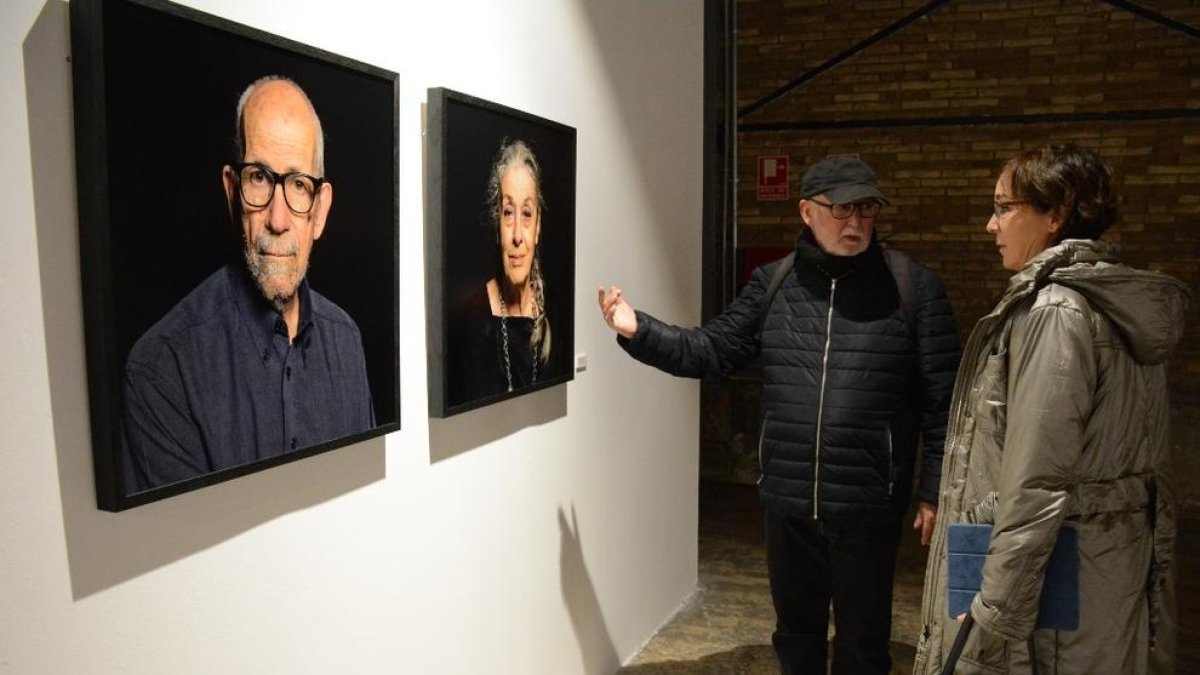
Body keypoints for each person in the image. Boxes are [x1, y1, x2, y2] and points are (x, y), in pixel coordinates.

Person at [599, 156, 962, 674]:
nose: (855, 222)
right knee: (796, 636)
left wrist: (935, 490)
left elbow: (942, 400)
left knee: (864, 641)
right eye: (841, 209)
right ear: (807, 212)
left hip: (868, 502)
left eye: (865, 209)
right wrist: (641, 331)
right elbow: (713, 349)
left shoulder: (913, 287)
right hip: (788, 498)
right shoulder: (774, 283)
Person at [912, 144, 1188, 674]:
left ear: (1056, 213)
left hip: (1052, 575)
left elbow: (1038, 480)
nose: (990, 226)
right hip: (1103, 571)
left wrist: (990, 614)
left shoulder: (1057, 311)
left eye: (1003, 208)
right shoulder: (1111, 303)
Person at [122, 76, 375, 493]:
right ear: (232, 190)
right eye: (259, 177)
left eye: (298, 185)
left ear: (321, 210)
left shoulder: (347, 341)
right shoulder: (162, 370)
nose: (277, 219)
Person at [448, 139, 556, 405]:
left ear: (538, 225)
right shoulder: (474, 321)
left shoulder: (554, 311)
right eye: (508, 213)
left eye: (527, 214)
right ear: (497, 224)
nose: (518, 234)